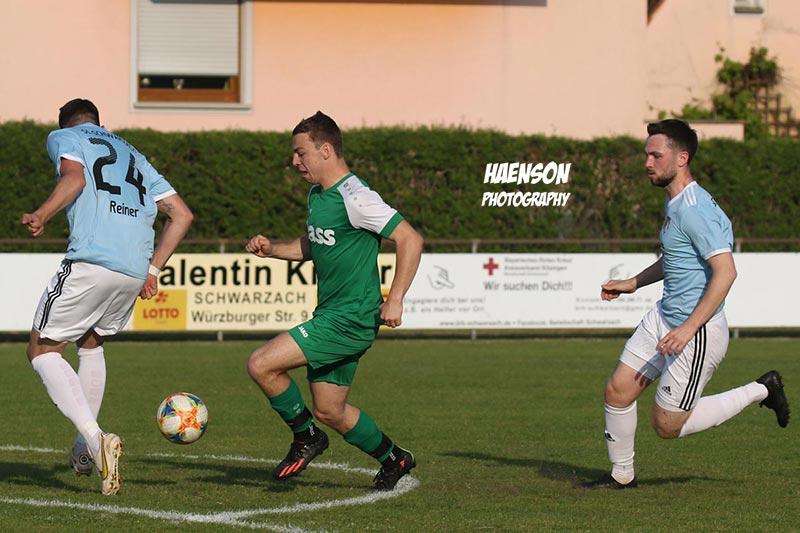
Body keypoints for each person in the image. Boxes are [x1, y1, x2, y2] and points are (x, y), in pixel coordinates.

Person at [583, 119, 790, 489]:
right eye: (647, 154)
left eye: (656, 155)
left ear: (681, 158)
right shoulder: (676, 203)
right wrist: (633, 283)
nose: (647, 162)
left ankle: (763, 388)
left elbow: (726, 272)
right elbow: (677, 259)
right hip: (665, 317)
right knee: (618, 390)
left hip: (696, 332)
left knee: (666, 426)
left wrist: (687, 329)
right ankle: (622, 476)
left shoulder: (695, 209)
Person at [22, 98, 193, 496]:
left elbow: (75, 180)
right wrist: (153, 270)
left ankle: (95, 439)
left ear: (67, 123)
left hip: (92, 259)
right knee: (91, 342)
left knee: (42, 350)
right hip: (132, 268)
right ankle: (85, 450)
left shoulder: (65, 136)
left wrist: (43, 214)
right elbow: (182, 214)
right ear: (99, 122)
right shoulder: (134, 154)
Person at [246, 111, 424, 491]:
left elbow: (410, 238)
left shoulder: (356, 197)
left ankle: (306, 437)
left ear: (326, 150)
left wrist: (395, 299)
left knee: (261, 364)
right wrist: (273, 249)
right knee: (330, 409)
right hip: (333, 313)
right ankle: (395, 458)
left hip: (350, 318)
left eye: (301, 153)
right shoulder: (318, 195)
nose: (295, 161)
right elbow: (315, 243)